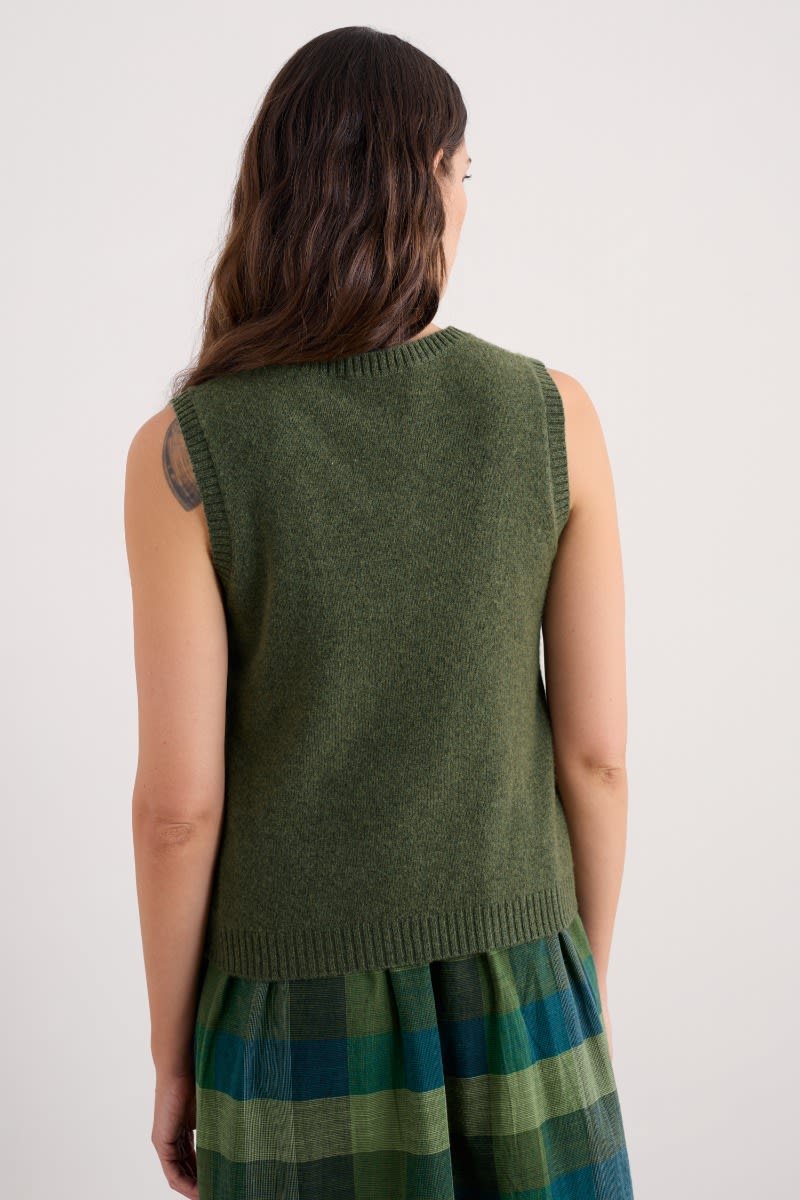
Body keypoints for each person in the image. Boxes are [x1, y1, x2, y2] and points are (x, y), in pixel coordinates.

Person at [124, 24, 634, 1200]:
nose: (466, 201)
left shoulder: (184, 454)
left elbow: (177, 812)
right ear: (424, 188)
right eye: (463, 171)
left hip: (286, 1013)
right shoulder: (551, 416)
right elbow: (596, 759)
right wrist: (574, 987)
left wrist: (172, 1059)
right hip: (523, 979)